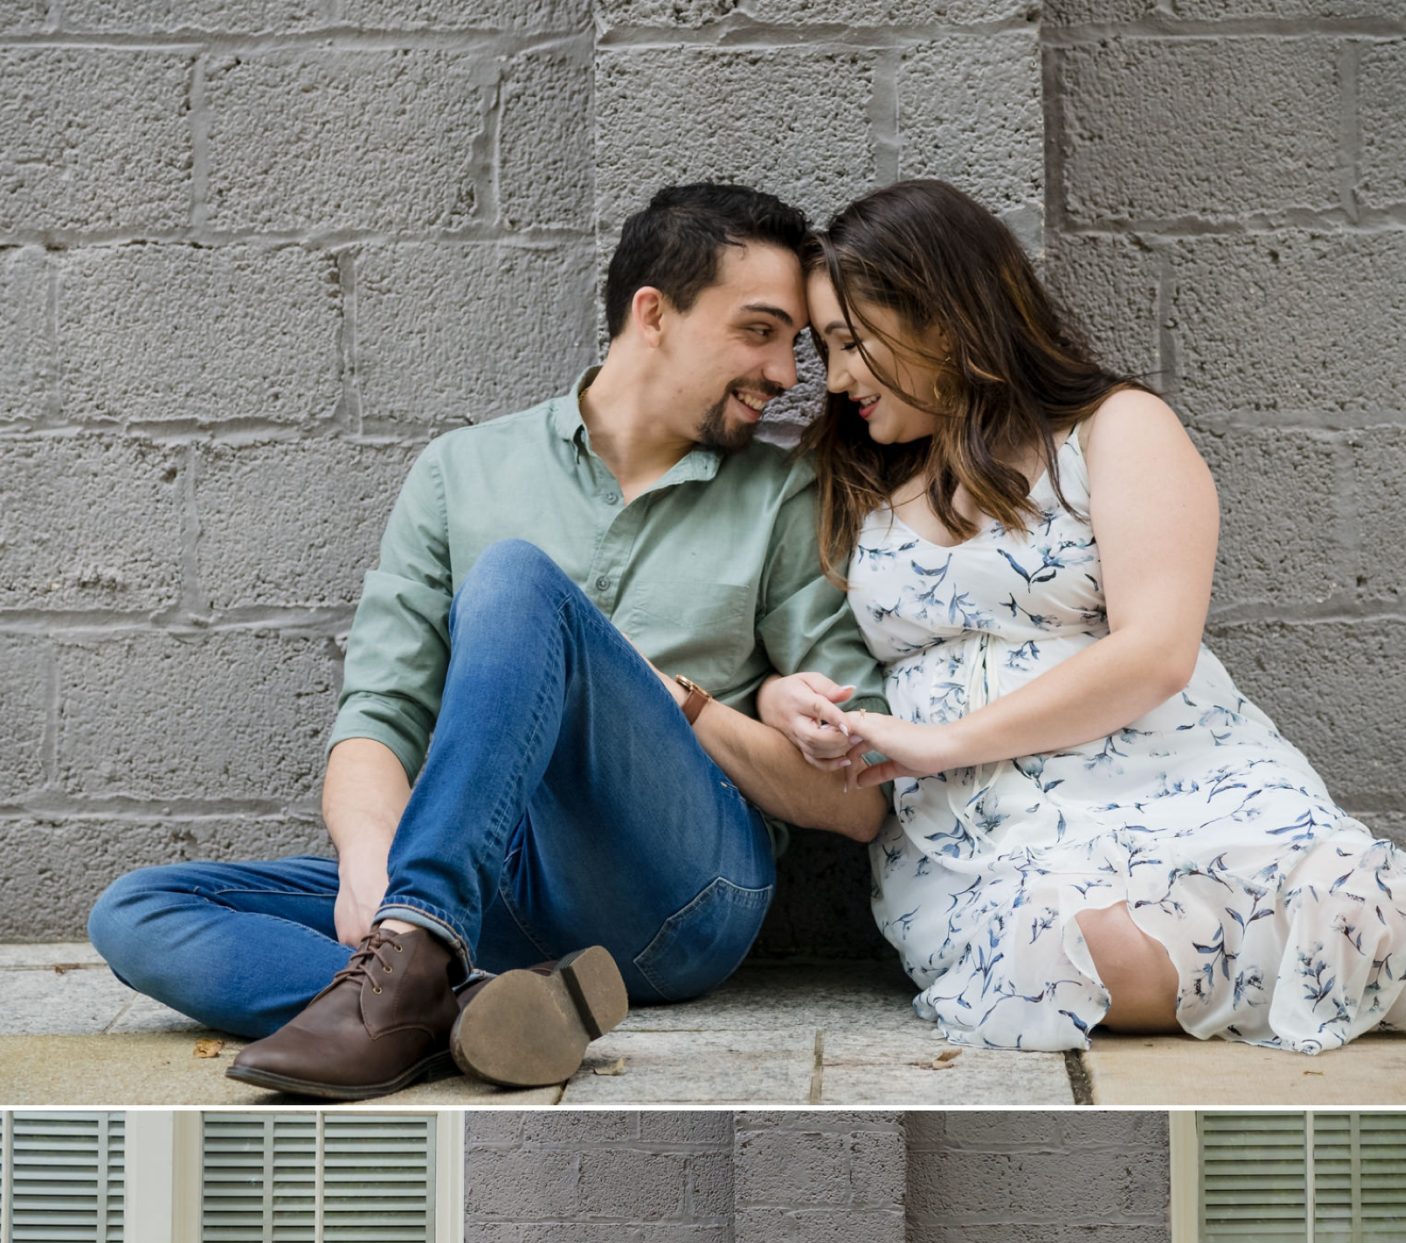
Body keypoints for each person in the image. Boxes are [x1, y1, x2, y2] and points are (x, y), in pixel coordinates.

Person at [758, 178, 1406, 1054]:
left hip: (1175, 779)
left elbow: (1156, 654)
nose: (833, 380)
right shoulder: (851, 477)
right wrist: (779, 703)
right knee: (1070, 962)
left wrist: (945, 741)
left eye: (849, 342)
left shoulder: (1115, 428)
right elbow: (801, 640)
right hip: (978, 830)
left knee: (1331, 906)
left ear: (941, 318)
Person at [85, 184, 889, 1101]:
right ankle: (463, 1002)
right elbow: (379, 714)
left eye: (793, 344)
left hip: (684, 897)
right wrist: (370, 869)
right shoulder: (461, 472)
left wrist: (686, 705)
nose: (788, 373)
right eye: (760, 332)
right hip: (488, 893)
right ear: (654, 314)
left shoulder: (785, 495)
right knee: (139, 911)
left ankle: (408, 970)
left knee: (513, 579)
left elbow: (858, 805)